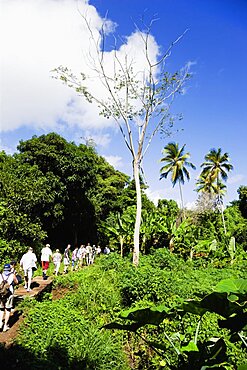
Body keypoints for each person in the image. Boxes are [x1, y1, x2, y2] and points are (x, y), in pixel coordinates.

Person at [0, 263, 18, 332]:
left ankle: (0, 322)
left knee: (1, 309)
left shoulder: (0, 275)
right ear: (9, 269)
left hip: (1, 294)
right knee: (7, 310)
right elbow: (16, 282)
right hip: (9, 294)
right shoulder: (12, 275)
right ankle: (5, 326)